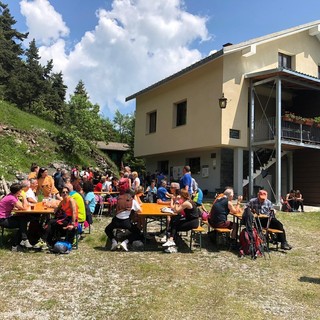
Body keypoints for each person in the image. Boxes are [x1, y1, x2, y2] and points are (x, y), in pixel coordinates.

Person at [0, 183, 32, 250]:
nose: (22, 191)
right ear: (18, 191)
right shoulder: (12, 198)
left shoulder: (12, 196)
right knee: (22, 223)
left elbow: (21, 206)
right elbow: (24, 207)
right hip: (2, 219)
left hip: (7, 216)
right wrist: (24, 197)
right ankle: (21, 242)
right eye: (21, 190)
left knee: (23, 220)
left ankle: (21, 242)